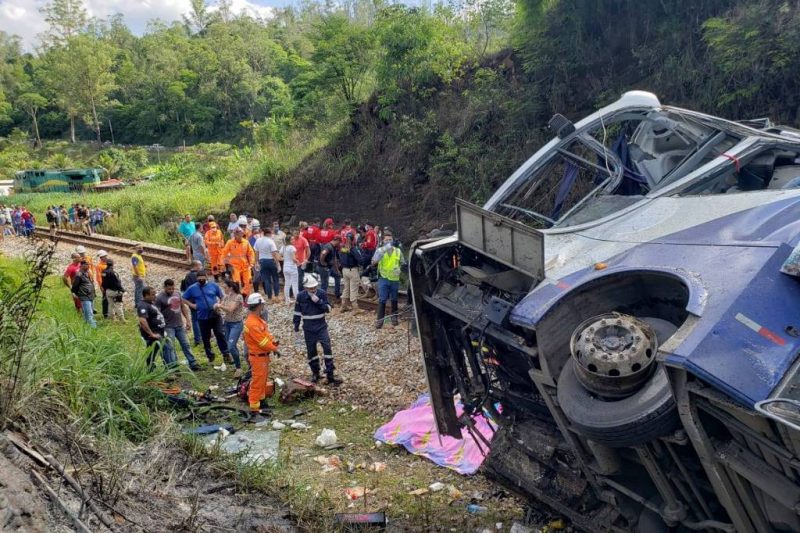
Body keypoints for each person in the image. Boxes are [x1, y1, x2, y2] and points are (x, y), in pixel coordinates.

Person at [293, 275, 342, 385]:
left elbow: (328, 309)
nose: (313, 290)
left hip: (321, 327)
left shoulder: (321, 293)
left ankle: (330, 375)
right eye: (311, 288)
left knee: (327, 348)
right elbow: (297, 312)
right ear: (306, 288)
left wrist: (319, 302)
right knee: (311, 352)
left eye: (314, 287)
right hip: (308, 329)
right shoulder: (300, 296)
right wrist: (296, 327)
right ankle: (316, 373)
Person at [181, 270, 231, 363]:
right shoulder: (193, 288)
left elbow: (222, 296)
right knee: (205, 337)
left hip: (215, 314)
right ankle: (209, 354)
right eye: (199, 279)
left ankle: (226, 353)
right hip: (202, 317)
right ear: (197, 279)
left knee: (220, 333)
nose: (201, 281)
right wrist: (192, 305)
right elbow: (183, 297)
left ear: (207, 277)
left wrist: (219, 304)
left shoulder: (213, 286)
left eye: (203, 279)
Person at [243, 292, 279, 413]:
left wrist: (273, 342)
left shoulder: (257, 320)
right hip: (258, 357)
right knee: (257, 382)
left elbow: (266, 335)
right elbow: (262, 342)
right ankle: (254, 408)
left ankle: (262, 402)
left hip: (262, 356)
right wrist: (274, 348)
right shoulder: (252, 323)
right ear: (259, 305)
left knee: (262, 381)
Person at [156, 279, 200, 371]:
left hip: (179, 324)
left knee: (186, 344)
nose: (171, 291)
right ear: (164, 287)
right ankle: (174, 366)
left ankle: (193, 363)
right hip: (168, 327)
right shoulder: (159, 298)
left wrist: (188, 320)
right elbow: (158, 314)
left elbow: (183, 307)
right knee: (170, 347)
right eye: (169, 289)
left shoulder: (177, 294)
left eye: (172, 288)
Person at [372, 231, 406, 329]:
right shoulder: (380, 250)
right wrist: (380, 253)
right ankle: (379, 321)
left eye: (390, 240)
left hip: (395, 279)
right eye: (386, 240)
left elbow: (403, 263)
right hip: (384, 278)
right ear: (383, 241)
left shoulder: (398, 251)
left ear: (393, 240)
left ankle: (394, 318)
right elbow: (373, 262)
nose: (388, 241)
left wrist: (400, 269)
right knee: (382, 299)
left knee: (394, 299)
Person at [138, 286, 175, 370]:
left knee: (155, 351)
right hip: (153, 334)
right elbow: (142, 320)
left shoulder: (150, 303)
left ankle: (155, 368)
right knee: (160, 350)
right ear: (146, 295)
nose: (155, 296)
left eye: (155, 294)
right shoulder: (142, 305)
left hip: (159, 332)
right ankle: (166, 369)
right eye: (152, 294)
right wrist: (151, 334)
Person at [215, 280, 245, 378]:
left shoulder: (238, 297)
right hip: (227, 323)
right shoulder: (226, 297)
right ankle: (237, 364)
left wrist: (219, 305)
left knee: (231, 346)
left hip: (236, 324)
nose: (224, 289)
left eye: (225, 287)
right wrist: (216, 307)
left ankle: (239, 368)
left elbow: (230, 309)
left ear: (231, 288)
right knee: (230, 345)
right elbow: (221, 306)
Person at [221, 228, 255, 297]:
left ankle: (245, 295)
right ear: (234, 235)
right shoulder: (230, 242)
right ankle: (238, 295)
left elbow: (251, 253)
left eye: (240, 234)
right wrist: (224, 265)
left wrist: (251, 263)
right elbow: (224, 253)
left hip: (245, 265)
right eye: (237, 235)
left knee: (248, 281)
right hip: (234, 266)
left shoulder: (246, 242)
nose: (239, 236)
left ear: (242, 234)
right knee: (237, 282)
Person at [254, 228, 281, 302]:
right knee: (275, 279)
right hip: (271, 261)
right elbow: (274, 253)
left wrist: (256, 262)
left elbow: (256, 252)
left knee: (266, 280)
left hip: (262, 261)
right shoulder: (270, 241)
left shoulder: (258, 240)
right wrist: (278, 263)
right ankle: (276, 296)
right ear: (269, 233)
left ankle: (269, 297)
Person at [339, 232, 364, 313]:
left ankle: (343, 306)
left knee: (346, 288)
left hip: (344, 270)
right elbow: (360, 260)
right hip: (352, 270)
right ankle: (355, 308)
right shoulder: (353, 249)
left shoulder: (343, 248)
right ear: (353, 239)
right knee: (353, 289)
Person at [180, 260, 204, 346]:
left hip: (192, 302)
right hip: (199, 301)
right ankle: (200, 338)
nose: (201, 267)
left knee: (196, 320)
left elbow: (183, 289)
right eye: (200, 265)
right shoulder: (198, 276)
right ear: (196, 266)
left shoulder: (187, 276)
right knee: (198, 320)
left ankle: (198, 339)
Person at [71, 261, 96, 328]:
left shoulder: (87, 273)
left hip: (90, 296)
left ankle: (86, 328)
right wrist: (75, 294)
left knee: (87, 314)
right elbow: (75, 286)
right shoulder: (79, 275)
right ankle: (94, 329)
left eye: (89, 265)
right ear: (82, 265)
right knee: (89, 313)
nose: (88, 266)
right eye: (86, 265)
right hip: (84, 296)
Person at [318, 235, 342, 301]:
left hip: (330, 267)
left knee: (337, 276)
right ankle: (323, 300)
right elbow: (322, 254)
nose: (339, 244)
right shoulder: (328, 246)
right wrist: (323, 263)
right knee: (325, 283)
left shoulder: (334, 247)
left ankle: (337, 294)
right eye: (339, 242)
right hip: (324, 268)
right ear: (337, 241)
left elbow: (334, 259)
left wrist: (337, 270)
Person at [282, 235, 300, 303]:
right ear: (289, 241)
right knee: (295, 284)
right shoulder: (292, 247)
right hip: (292, 267)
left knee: (287, 284)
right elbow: (293, 258)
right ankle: (297, 300)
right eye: (292, 239)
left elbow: (280, 255)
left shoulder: (283, 247)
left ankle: (287, 300)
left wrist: (285, 259)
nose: (294, 240)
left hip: (285, 267)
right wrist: (298, 262)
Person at [95, 250, 109, 318]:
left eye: (106, 256)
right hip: (104, 285)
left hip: (110, 284)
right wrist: (101, 286)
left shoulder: (108, 264)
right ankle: (105, 314)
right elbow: (98, 277)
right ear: (100, 258)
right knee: (105, 299)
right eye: (103, 257)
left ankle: (111, 312)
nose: (105, 257)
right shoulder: (99, 266)